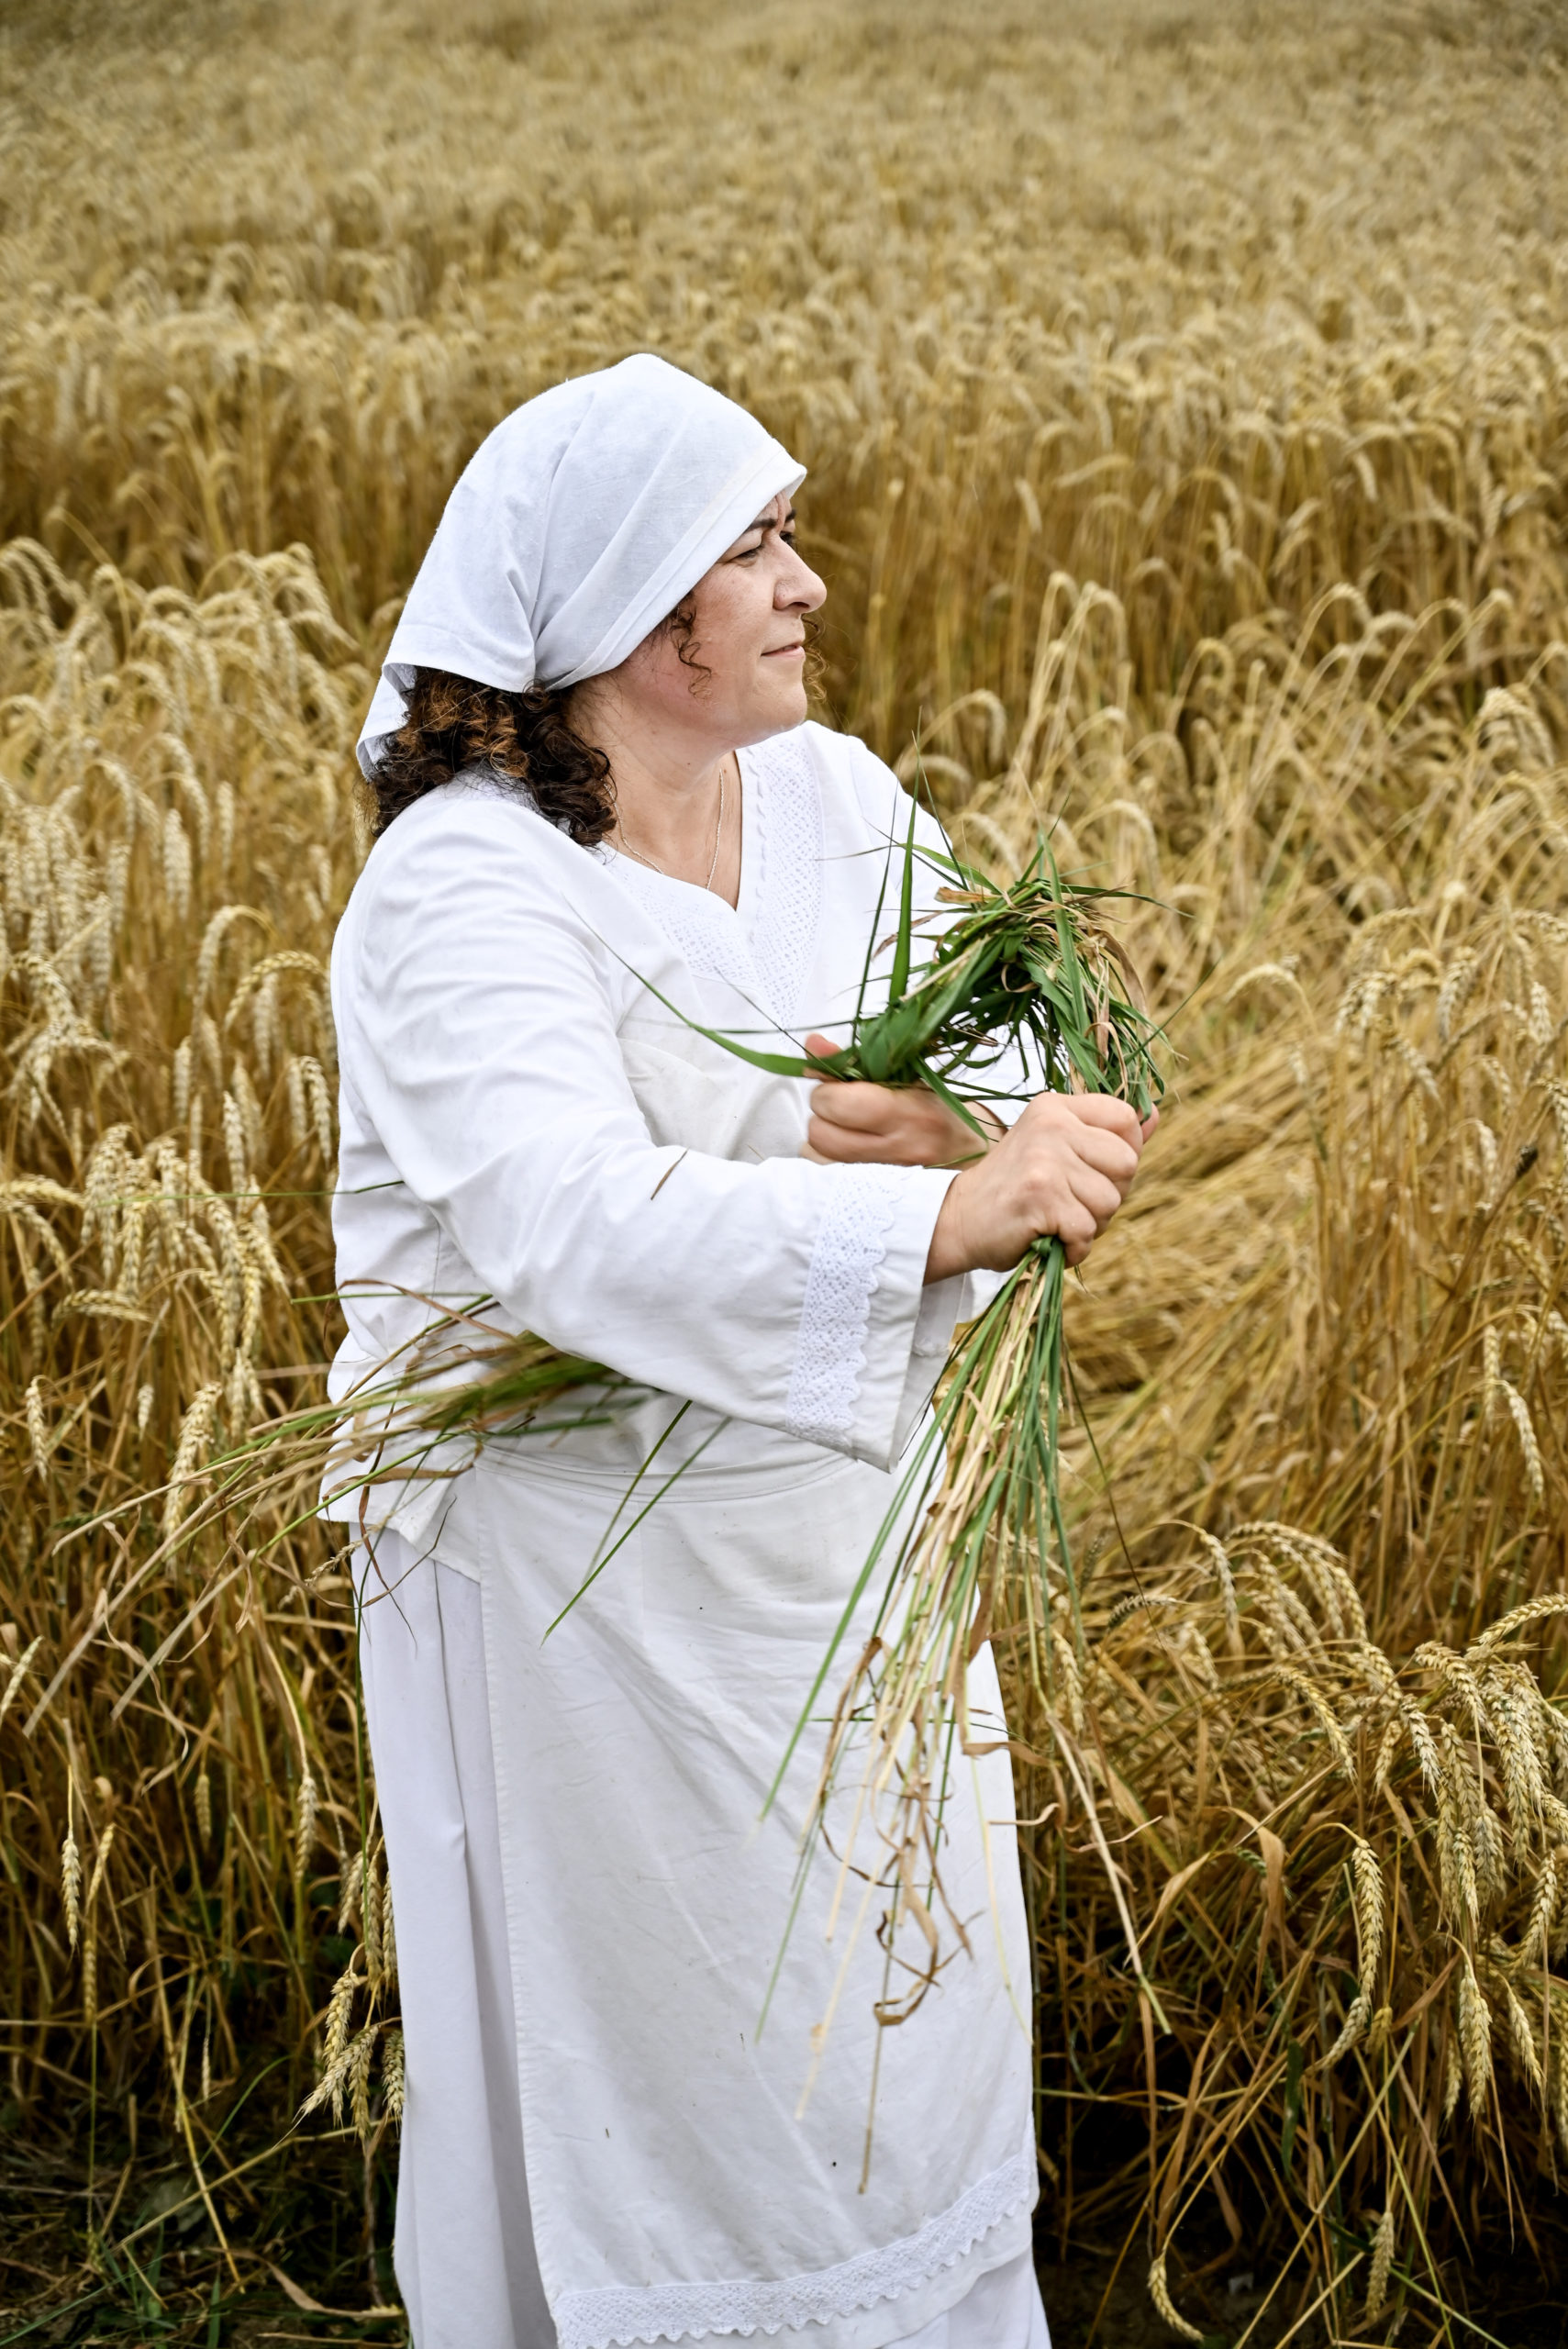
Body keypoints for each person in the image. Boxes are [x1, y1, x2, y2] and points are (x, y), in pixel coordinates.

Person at [328, 353, 1151, 2349]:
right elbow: (557, 1216)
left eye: (791, 537)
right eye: (755, 546)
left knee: (894, 2038)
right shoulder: (466, 885)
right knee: (677, 2068)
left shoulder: (831, 798)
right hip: (584, 1599)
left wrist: (958, 1123)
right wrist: (930, 1216)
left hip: (848, 1547)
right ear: (628, 605)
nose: (807, 583)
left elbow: (1008, 1053)